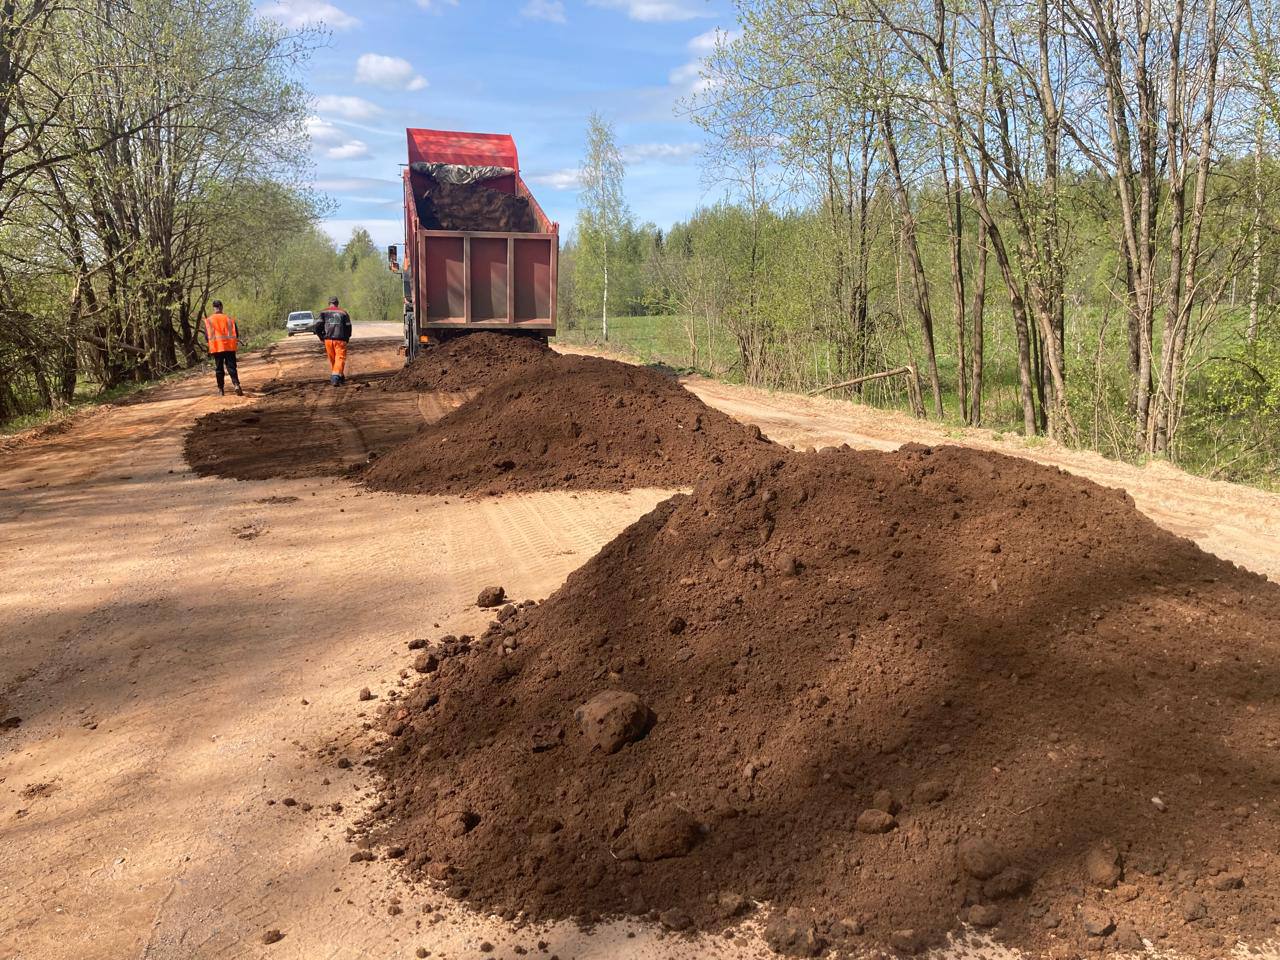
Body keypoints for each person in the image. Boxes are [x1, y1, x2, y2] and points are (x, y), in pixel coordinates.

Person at [202, 300, 243, 396]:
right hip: (229, 347)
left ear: (213, 307)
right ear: (222, 307)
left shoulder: (209, 320)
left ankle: (221, 389)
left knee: (219, 368)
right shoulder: (229, 319)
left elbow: (207, 337)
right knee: (231, 367)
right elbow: (236, 333)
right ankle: (236, 384)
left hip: (216, 348)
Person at [316, 296, 353, 386]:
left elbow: (317, 326)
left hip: (328, 340)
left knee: (333, 360)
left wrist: (321, 336)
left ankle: (340, 376)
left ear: (329, 303)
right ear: (337, 303)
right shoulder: (343, 313)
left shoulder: (323, 312)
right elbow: (348, 326)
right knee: (339, 358)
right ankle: (335, 377)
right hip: (340, 339)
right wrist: (347, 337)